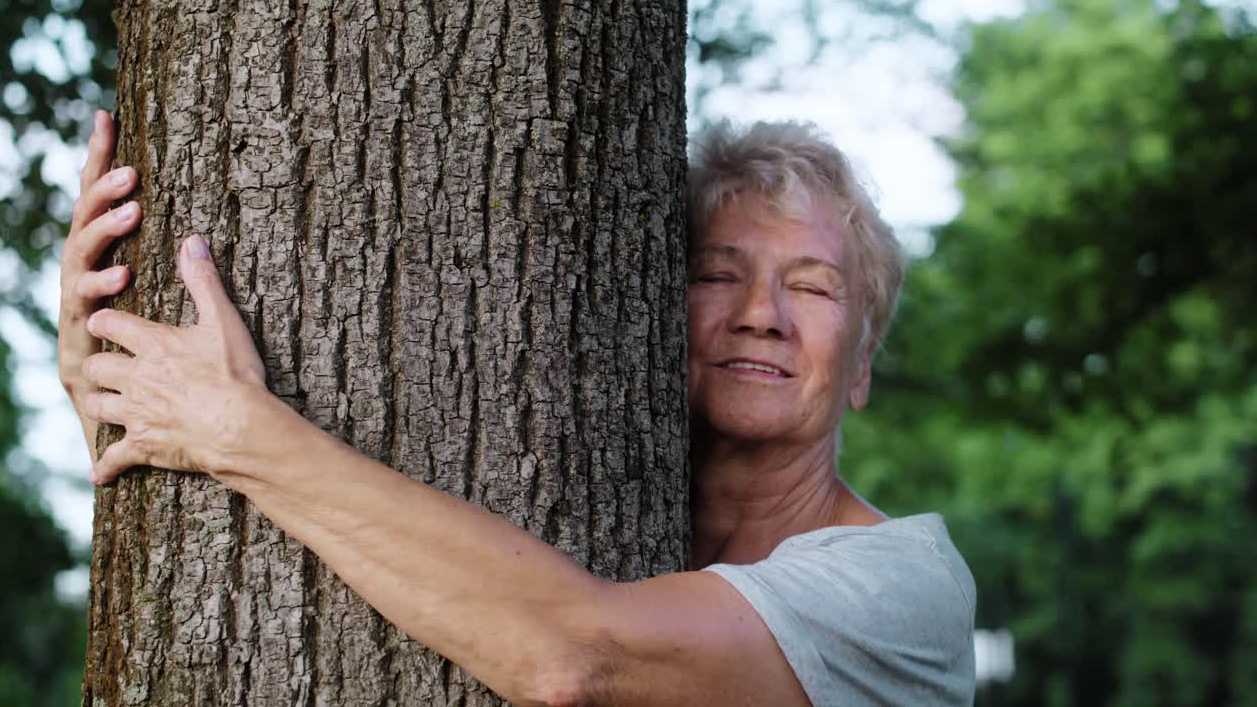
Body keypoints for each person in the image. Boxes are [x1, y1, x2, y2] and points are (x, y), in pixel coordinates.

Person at [59, 112, 976, 706]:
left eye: (812, 290)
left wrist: (240, 433)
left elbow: (576, 656)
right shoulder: (590, 512)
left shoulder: (904, 588)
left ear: (861, 362)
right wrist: (106, 362)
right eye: (716, 275)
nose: (760, 316)